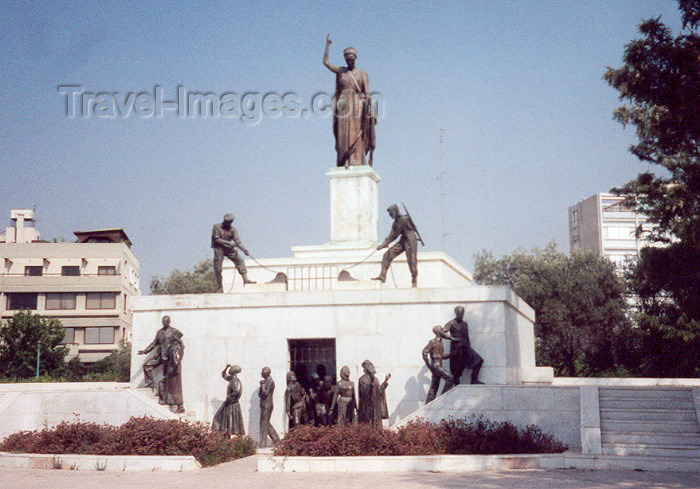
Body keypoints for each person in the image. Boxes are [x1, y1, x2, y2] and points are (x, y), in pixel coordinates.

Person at [323, 35, 376, 167]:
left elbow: (367, 93)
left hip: (357, 104)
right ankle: (344, 159)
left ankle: (356, 160)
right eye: (347, 60)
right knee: (343, 132)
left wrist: (367, 101)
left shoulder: (362, 74)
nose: (349, 62)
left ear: (355, 59)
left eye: (351, 60)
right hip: (343, 103)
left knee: (356, 131)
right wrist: (327, 46)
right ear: (345, 60)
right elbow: (326, 63)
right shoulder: (341, 71)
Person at [138, 316, 185, 413]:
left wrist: (176, 356)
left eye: (166, 321)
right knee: (147, 365)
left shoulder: (174, 331)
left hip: (170, 357)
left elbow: (180, 343)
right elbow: (154, 343)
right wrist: (145, 351)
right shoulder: (159, 332)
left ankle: (174, 402)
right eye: (163, 321)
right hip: (160, 355)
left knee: (171, 380)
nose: (165, 322)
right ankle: (151, 383)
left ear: (169, 322)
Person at [373, 204, 419, 287]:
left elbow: (395, 234)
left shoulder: (403, 219)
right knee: (387, 255)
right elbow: (391, 233)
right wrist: (385, 243)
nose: (390, 216)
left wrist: (384, 244)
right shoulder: (395, 222)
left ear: (395, 211)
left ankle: (414, 280)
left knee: (411, 260)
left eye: (391, 213)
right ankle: (383, 276)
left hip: (411, 239)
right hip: (403, 239)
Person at [211, 213, 255, 292]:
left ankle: (245, 279)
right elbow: (216, 239)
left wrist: (244, 250)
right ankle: (220, 287)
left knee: (240, 260)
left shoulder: (233, 230)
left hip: (228, 249)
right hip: (219, 249)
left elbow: (237, 241)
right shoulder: (216, 227)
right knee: (218, 269)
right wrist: (229, 243)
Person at [444, 306, 484, 385]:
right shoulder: (451, 323)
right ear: (455, 313)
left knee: (479, 361)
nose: (460, 315)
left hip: (466, 348)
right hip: (457, 349)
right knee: (456, 371)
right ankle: (457, 386)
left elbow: (466, 336)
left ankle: (474, 379)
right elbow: (441, 332)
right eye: (459, 313)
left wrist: (469, 345)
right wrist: (452, 338)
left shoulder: (465, 324)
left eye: (462, 313)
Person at [422, 325, 454, 403]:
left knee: (434, 387)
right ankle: (442, 399)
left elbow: (441, 356)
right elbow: (424, 352)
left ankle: (428, 404)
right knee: (450, 378)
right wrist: (430, 366)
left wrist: (451, 354)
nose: (444, 332)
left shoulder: (440, 342)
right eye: (442, 330)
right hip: (436, 366)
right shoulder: (433, 342)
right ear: (438, 332)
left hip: (438, 364)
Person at [212, 364, 245, 436]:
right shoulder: (231, 378)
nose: (229, 370)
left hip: (231, 404)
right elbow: (223, 374)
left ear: (233, 371)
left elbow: (236, 391)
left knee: (224, 420)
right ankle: (226, 437)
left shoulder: (234, 380)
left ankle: (227, 436)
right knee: (225, 421)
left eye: (230, 369)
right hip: (230, 403)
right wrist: (226, 367)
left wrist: (229, 396)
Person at [357, 360, 390, 428]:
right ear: (365, 368)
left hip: (376, 406)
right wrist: (371, 383)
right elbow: (364, 393)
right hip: (367, 407)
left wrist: (385, 381)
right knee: (368, 426)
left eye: (371, 365)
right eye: (369, 365)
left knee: (377, 426)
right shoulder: (362, 379)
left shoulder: (376, 379)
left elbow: (379, 391)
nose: (371, 367)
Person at [258, 366, 280, 447]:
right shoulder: (265, 381)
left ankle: (263, 443)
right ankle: (276, 440)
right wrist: (262, 386)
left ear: (266, 373)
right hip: (263, 404)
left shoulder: (271, 382)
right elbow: (260, 394)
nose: (261, 374)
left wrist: (263, 386)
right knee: (264, 423)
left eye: (262, 372)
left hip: (267, 405)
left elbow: (265, 393)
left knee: (264, 423)